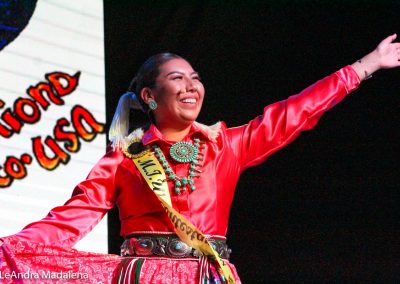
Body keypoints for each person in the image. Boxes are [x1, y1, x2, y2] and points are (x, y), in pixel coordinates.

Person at [0, 34, 399, 284]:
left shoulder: (224, 145)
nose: (191, 86)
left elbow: (292, 114)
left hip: (210, 276)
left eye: (195, 78)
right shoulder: (124, 158)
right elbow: (70, 219)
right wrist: (11, 251)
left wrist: (366, 66)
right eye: (177, 78)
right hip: (142, 277)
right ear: (150, 97)